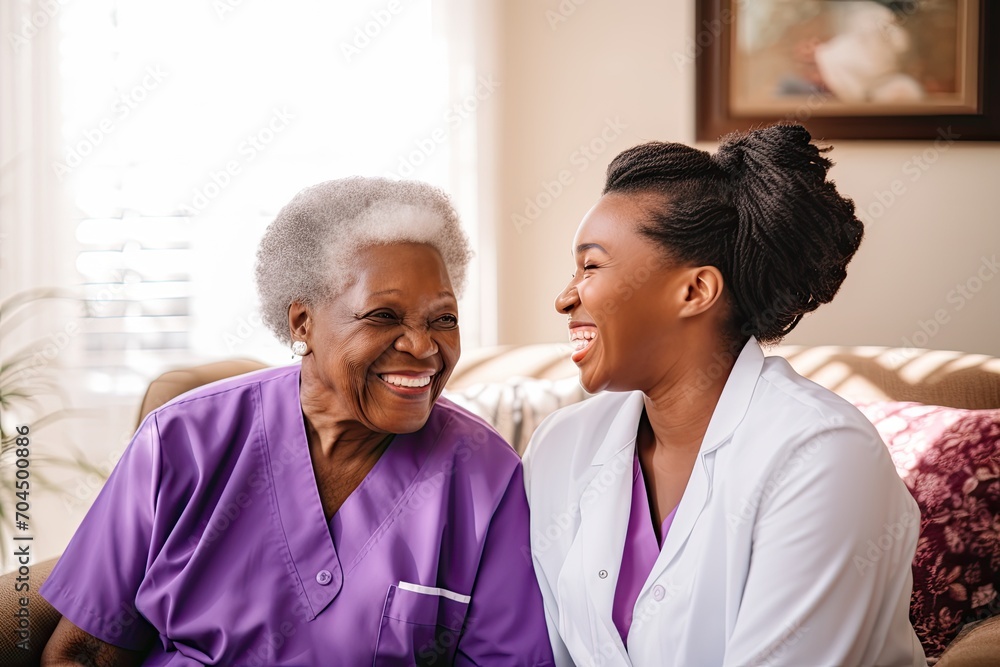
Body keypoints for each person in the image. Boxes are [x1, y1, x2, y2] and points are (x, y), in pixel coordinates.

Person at [40, 177, 555, 666]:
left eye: (442, 319)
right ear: (302, 323)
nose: (422, 347)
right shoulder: (180, 441)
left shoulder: (486, 475)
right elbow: (82, 653)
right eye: (383, 316)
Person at [523, 124, 927, 666]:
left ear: (695, 291)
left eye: (591, 266)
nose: (564, 298)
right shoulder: (561, 447)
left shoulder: (822, 455)